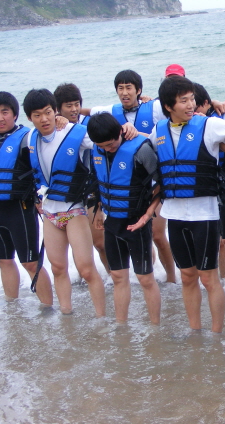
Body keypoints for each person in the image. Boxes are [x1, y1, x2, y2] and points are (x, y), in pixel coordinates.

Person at [151, 75, 225, 333]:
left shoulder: (210, 125)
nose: (191, 105)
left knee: (209, 278)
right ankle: (195, 331)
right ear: (168, 106)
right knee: (187, 276)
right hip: (175, 215)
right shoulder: (158, 131)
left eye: (192, 99)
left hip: (205, 215)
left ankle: (217, 333)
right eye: (183, 101)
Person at [88, 70, 176, 283]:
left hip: (151, 183)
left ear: (139, 90)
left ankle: (171, 278)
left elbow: (176, 112)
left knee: (157, 235)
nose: (124, 92)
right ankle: (147, 275)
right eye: (120, 88)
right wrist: (59, 116)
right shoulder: (110, 114)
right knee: (139, 244)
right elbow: (82, 112)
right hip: (124, 188)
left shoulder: (154, 107)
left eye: (129, 88)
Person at [23, 89, 106, 317]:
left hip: (75, 209)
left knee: (86, 269)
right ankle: (66, 315)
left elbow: (108, 141)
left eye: (48, 112)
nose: (44, 119)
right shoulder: (30, 138)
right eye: (37, 115)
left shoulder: (77, 133)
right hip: (49, 212)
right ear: (30, 118)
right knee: (58, 268)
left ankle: (102, 319)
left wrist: (129, 130)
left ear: (55, 111)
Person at [0, 91, 53, 306]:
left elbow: (46, 158)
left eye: (5, 112)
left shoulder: (28, 138)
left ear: (15, 114)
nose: (0, 117)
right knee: (3, 261)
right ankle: (12, 309)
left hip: (21, 208)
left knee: (31, 263)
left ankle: (47, 308)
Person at [87, 113, 161, 324]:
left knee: (145, 278)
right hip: (112, 223)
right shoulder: (96, 150)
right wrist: (98, 210)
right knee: (118, 277)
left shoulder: (141, 149)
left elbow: (161, 183)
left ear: (121, 132)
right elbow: (99, 181)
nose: (108, 149)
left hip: (137, 222)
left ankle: (155, 327)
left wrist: (148, 215)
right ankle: (121, 326)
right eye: (103, 146)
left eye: (112, 144)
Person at [193, 82, 225, 297]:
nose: (192, 112)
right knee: (217, 242)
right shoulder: (188, 124)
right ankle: (223, 285)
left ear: (206, 103)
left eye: (195, 107)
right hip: (207, 188)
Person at [54, 83, 109, 273]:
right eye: (68, 105)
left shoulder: (89, 125)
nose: (74, 109)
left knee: (100, 242)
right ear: (58, 109)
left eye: (77, 104)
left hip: (93, 188)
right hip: (68, 192)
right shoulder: (54, 128)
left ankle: (114, 277)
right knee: (78, 242)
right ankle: (84, 276)